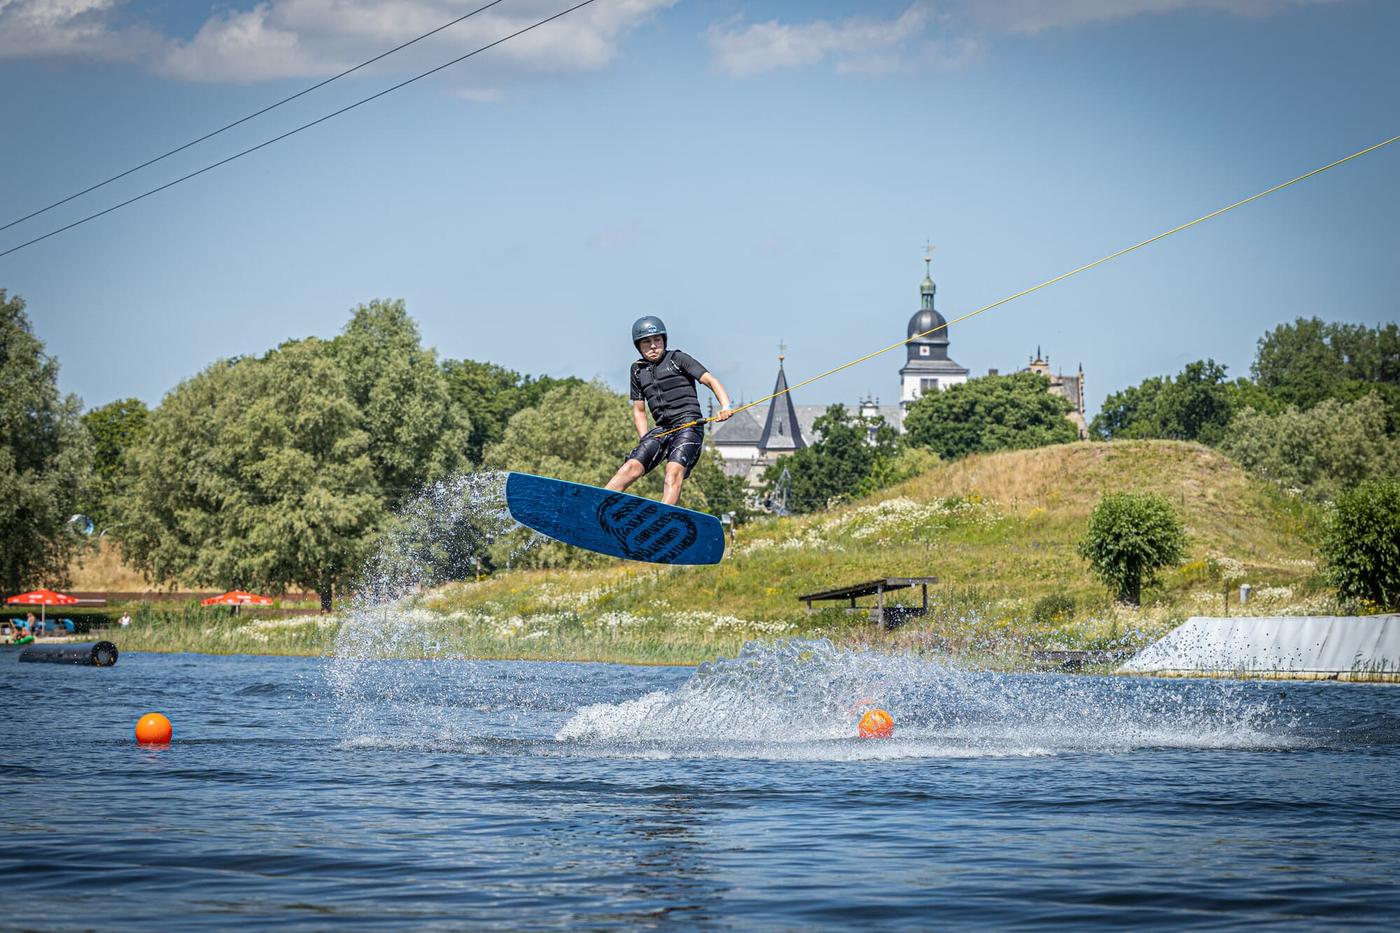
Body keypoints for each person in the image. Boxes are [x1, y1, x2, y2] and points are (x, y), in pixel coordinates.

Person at [606, 316, 733, 506]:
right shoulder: (637, 370)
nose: (653, 346)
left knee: (673, 472)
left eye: (657, 340)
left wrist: (726, 407)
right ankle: (599, 505)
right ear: (639, 346)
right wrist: (645, 440)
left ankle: (662, 519)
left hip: (689, 426)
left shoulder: (678, 359)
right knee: (630, 467)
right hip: (662, 429)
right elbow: (639, 411)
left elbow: (711, 381)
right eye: (646, 342)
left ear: (664, 340)